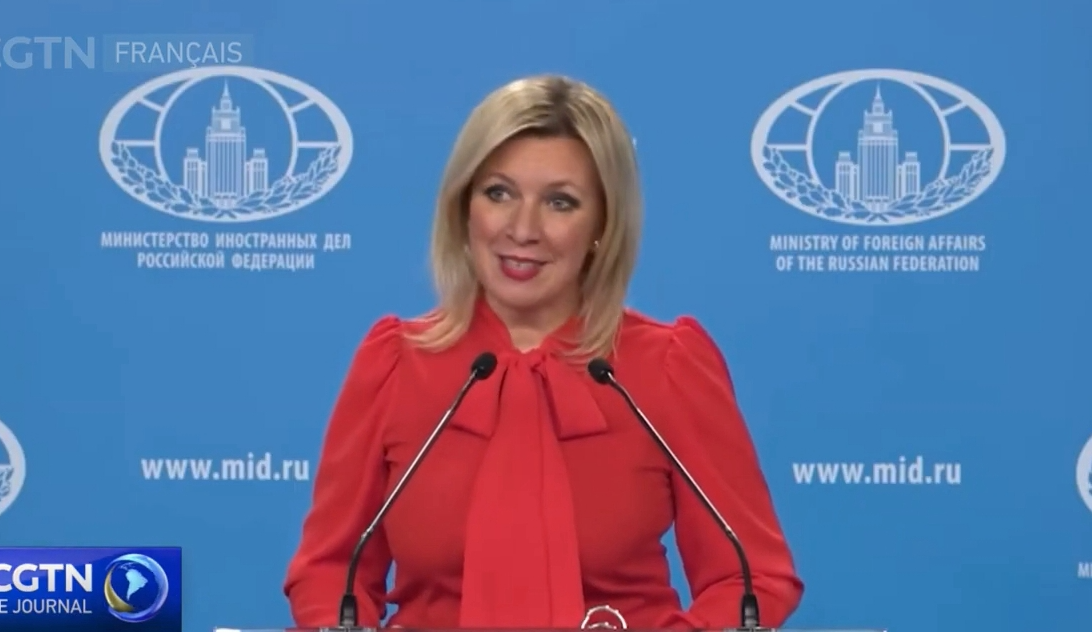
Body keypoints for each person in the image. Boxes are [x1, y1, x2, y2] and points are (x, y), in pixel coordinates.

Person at [283, 74, 803, 630]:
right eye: (498, 193)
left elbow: (750, 577)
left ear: (602, 224)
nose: (523, 229)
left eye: (560, 202)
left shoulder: (668, 366)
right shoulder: (394, 362)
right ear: (463, 207)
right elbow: (330, 570)